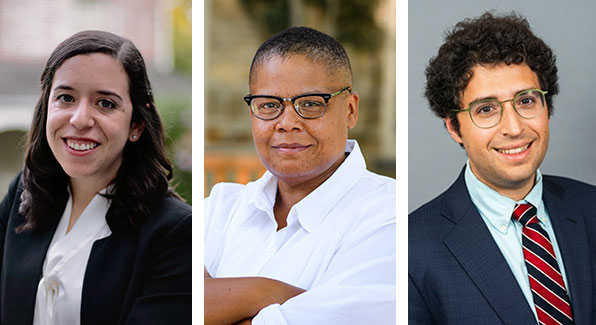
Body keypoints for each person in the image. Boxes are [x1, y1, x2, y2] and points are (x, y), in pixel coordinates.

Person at [409, 12, 596, 325]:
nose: (513, 128)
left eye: (526, 101)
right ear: (454, 128)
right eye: (486, 109)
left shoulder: (590, 208)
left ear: (547, 107)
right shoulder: (413, 248)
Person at [204, 26, 396, 325]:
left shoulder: (389, 217)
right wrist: (263, 291)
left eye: (310, 103)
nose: (287, 123)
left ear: (350, 109)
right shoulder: (219, 208)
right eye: (269, 105)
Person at [0, 31, 192, 325]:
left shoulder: (174, 233)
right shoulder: (24, 193)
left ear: (136, 125)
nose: (79, 119)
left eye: (105, 104)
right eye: (65, 97)